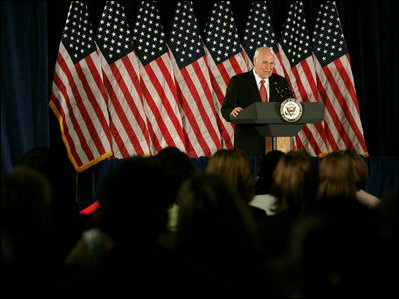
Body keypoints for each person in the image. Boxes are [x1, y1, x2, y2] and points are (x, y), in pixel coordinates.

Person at [221, 47, 294, 156]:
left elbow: (289, 105)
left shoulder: (280, 82)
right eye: (265, 63)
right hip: (248, 146)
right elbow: (226, 109)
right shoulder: (238, 81)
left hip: (276, 145)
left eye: (271, 63)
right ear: (255, 61)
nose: (269, 68)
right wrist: (231, 112)